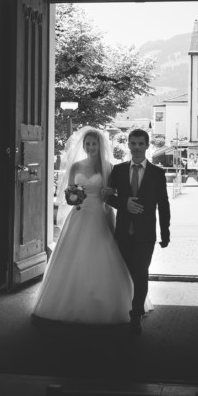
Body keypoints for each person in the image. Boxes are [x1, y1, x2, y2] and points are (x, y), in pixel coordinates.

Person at [33, 127, 151, 324]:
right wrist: (72, 197)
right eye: (87, 144)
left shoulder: (108, 167)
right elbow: (69, 191)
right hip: (79, 215)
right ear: (84, 145)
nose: (90, 147)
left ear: (100, 145)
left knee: (103, 255)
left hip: (99, 214)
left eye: (94, 144)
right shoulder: (76, 167)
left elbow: (111, 193)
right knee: (74, 257)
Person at [107, 129, 170, 333]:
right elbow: (108, 197)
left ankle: (135, 315)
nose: (136, 148)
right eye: (133, 144)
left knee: (141, 272)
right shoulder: (117, 171)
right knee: (128, 273)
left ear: (147, 145)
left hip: (145, 234)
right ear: (128, 145)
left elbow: (164, 204)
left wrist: (165, 232)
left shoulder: (158, 173)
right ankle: (125, 307)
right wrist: (124, 203)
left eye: (140, 144)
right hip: (123, 232)